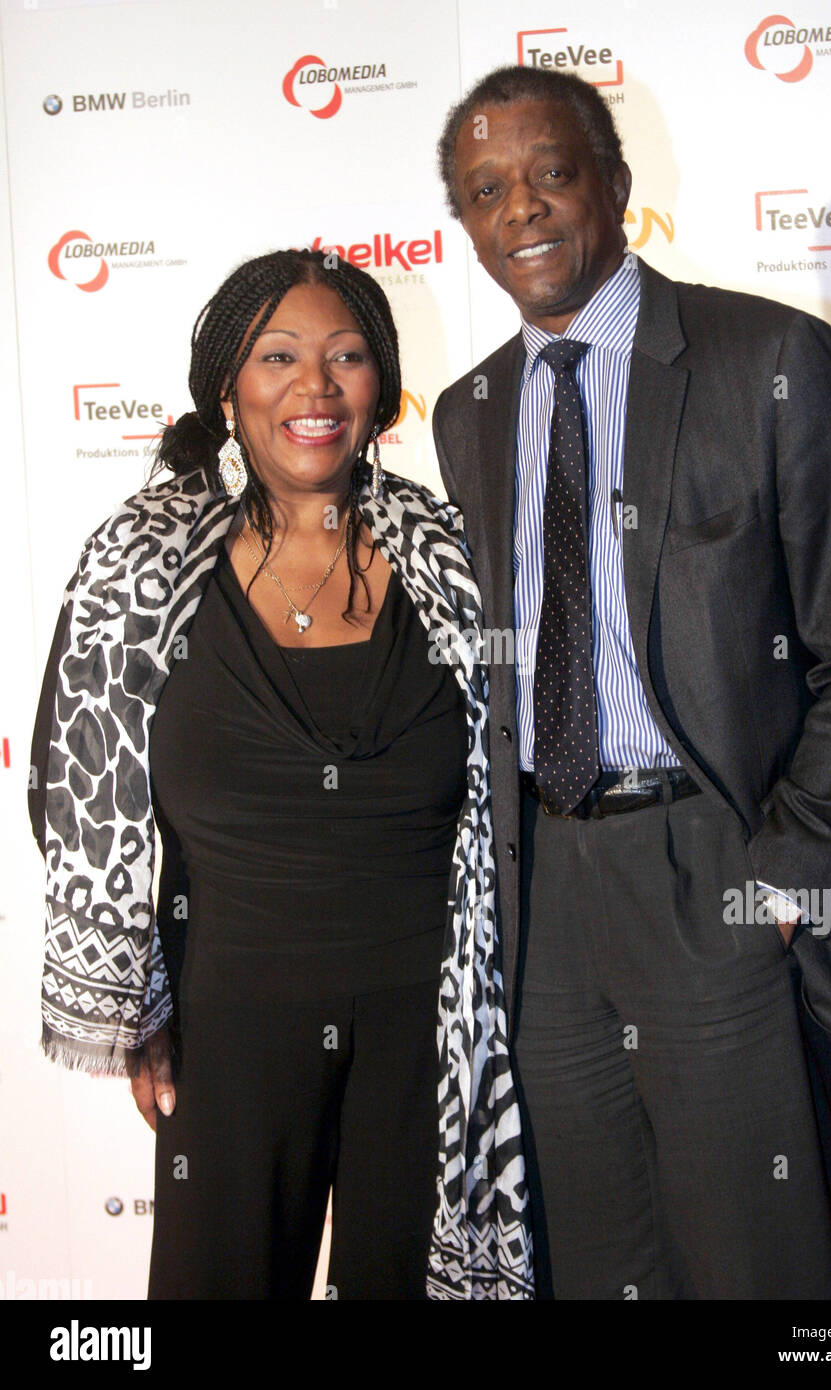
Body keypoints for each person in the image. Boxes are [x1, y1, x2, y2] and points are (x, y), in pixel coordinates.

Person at [432, 66, 831, 1299]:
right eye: (486, 191)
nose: (524, 211)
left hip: (719, 870)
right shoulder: (468, 412)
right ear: (467, 226)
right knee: (600, 1268)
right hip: (545, 897)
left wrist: (792, 863)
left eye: (551, 172)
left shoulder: (770, 357)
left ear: (614, 183)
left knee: (760, 1269)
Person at [29, 248, 532, 1300]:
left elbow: (519, 785)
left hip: (433, 1032)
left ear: (382, 388)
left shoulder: (457, 557)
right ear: (228, 389)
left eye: (347, 356)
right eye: (280, 357)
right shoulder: (140, 565)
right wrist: (139, 996)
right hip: (226, 1028)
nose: (316, 386)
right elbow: (66, 784)